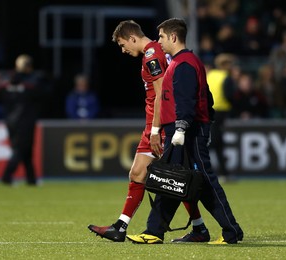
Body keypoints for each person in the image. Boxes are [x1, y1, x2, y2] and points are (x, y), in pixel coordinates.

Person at [88, 20, 209, 243]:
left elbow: (162, 91)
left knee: (174, 179)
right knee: (140, 174)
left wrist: (155, 130)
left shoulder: (152, 54)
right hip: (153, 124)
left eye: (124, 45)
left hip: (160, 125)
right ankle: (121, 226)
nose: (124, 51)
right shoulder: (154, 51)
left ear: (133, 38)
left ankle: (198, 228)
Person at [127, 18, 243, 245]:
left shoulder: (184, 64)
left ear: (172, 37)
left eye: (161, 36)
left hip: (186, 132)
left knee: (204, 182)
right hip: (183, 130)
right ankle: (154, 231)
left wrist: (182, 127)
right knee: (169, 179)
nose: (158, 41)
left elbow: (188, 100)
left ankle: (232, 232)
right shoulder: (184, 62)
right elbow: (207, 97)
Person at [0, 54, 46, 186]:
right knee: (20, 150)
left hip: (10, 121)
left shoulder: (6, 82)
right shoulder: (31, 83)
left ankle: (31, 179)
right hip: (25, 121)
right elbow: (42, 95)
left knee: (26, 150)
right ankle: (6, 176)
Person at [206, 53, 235, 181]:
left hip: (208, 111)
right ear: (225, 65)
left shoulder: (210, 75)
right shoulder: (226, 77)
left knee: (216, 143)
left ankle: (223, 172)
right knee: (216, 143)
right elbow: (229, 96)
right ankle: (208, 171)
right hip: (220, 112)